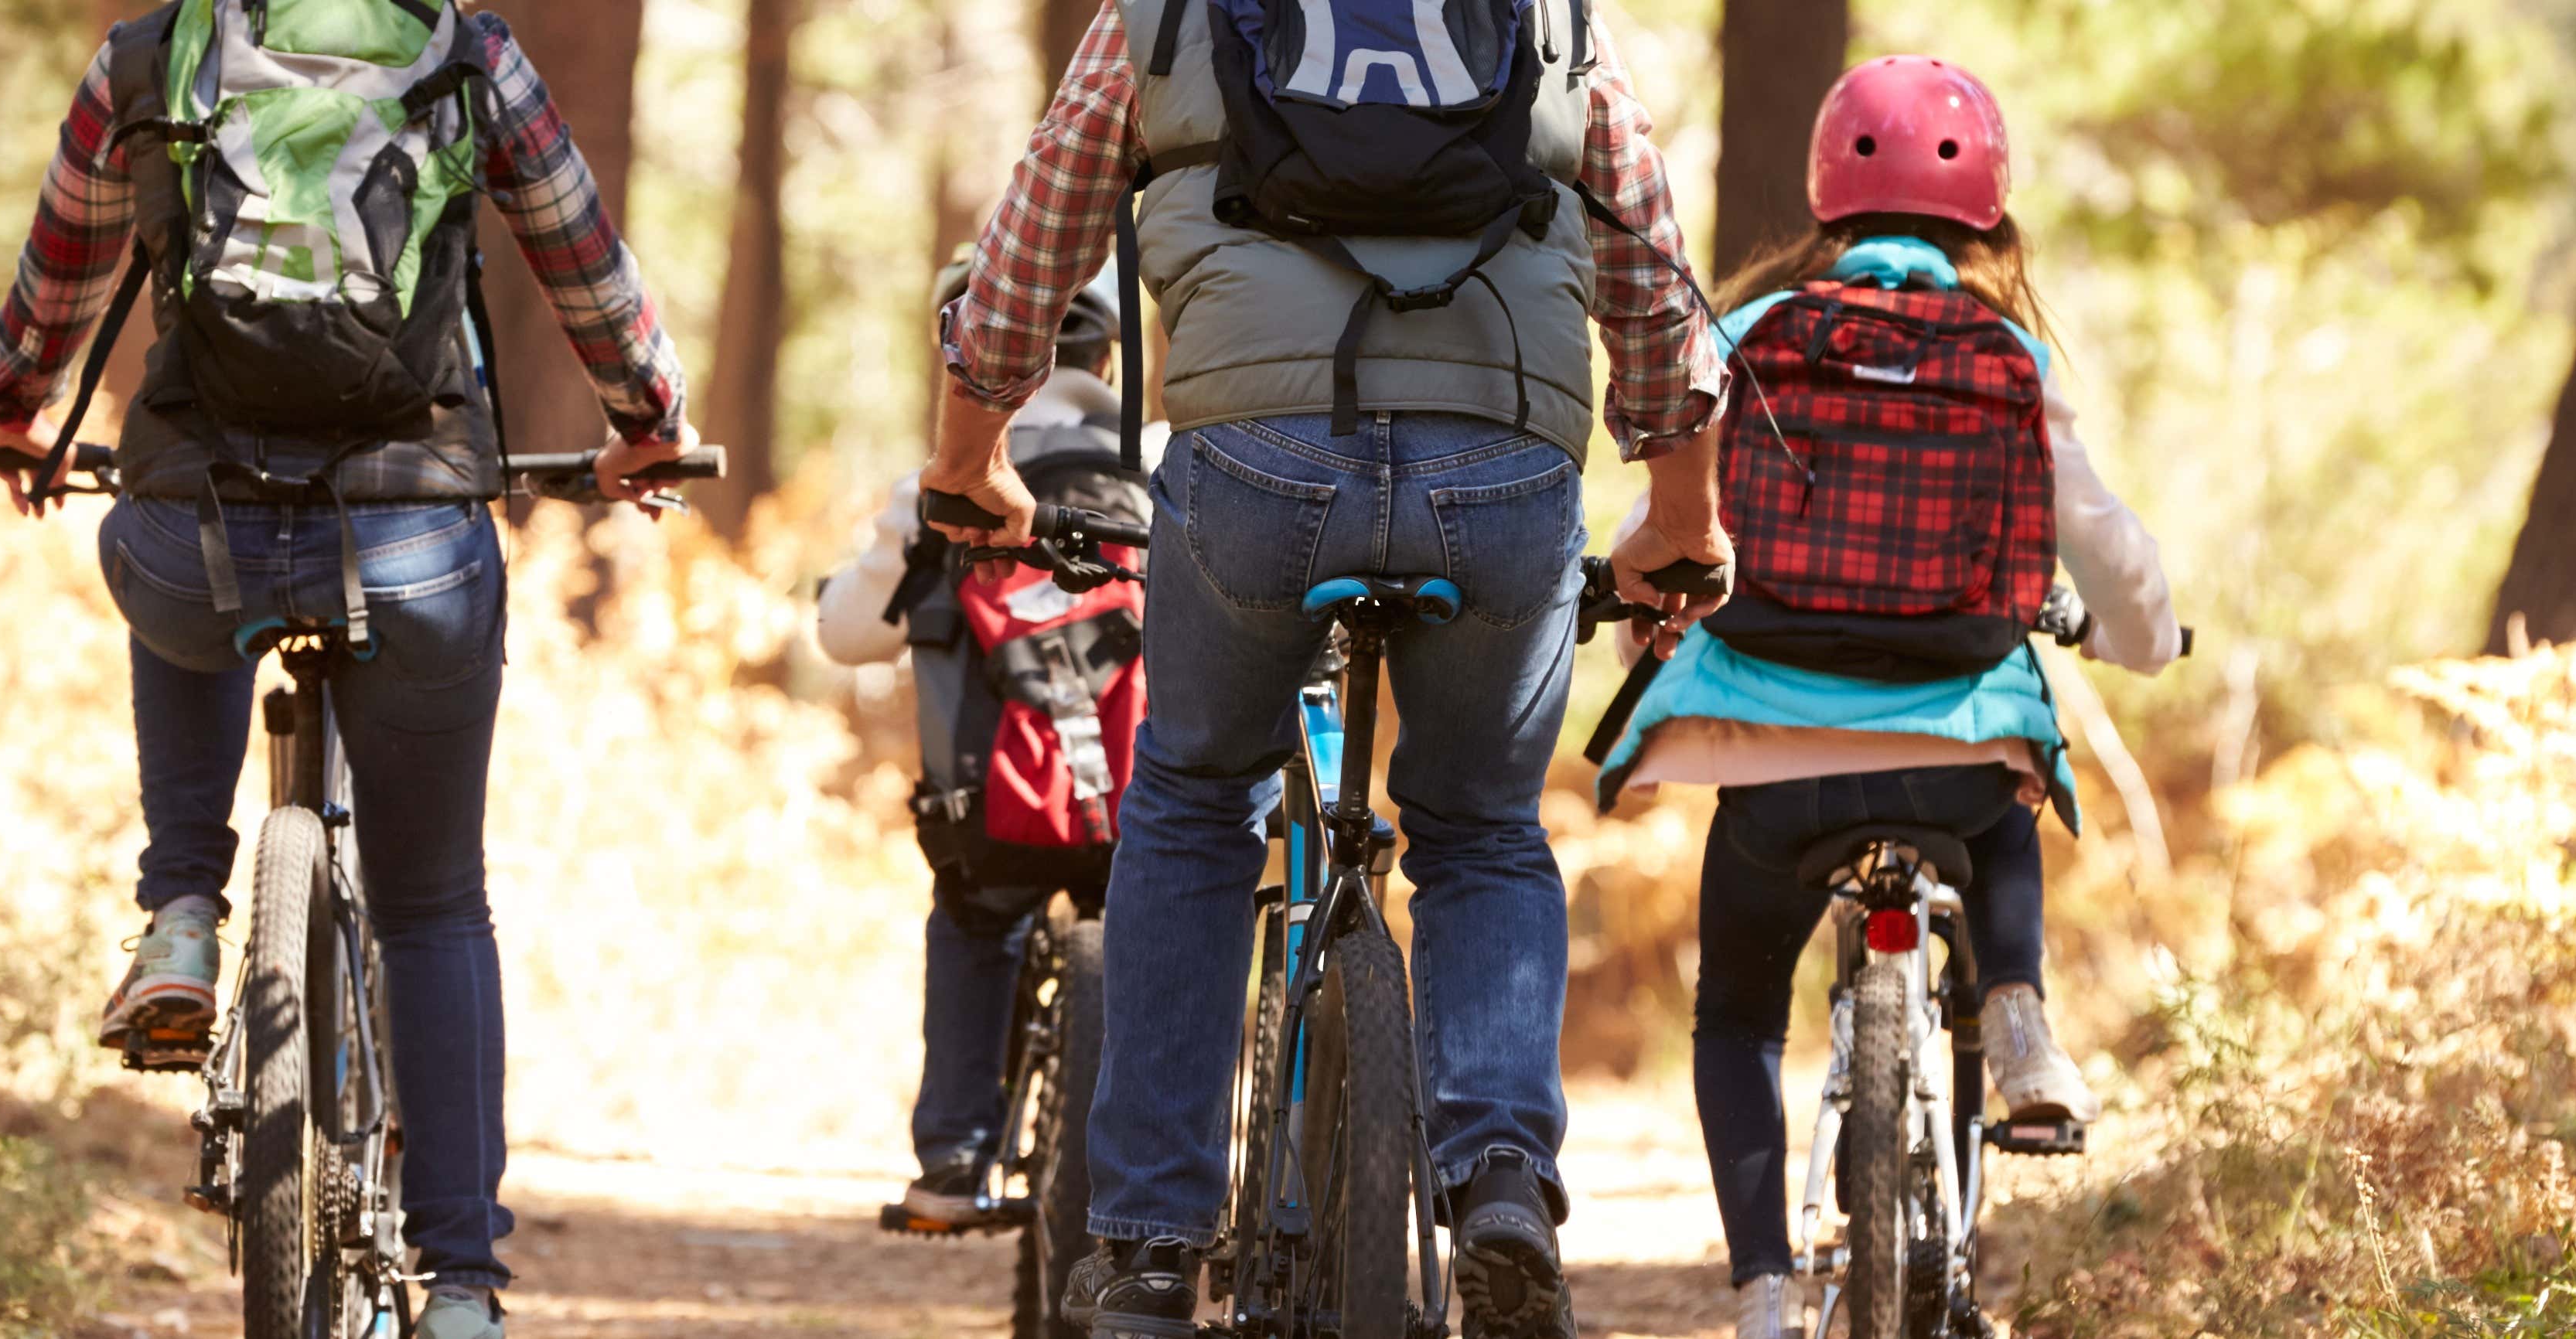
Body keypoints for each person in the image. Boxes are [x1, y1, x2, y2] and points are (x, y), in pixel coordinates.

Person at [928, 2, 1730, 1334]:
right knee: (1478, 827)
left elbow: (1030, 254)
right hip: (1503, 470)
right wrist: (1683, 511)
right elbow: (1649, 271)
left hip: (1254, 467)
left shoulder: (1166, 12)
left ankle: (1145, 1247)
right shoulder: (1549, 13)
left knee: (1191, 801)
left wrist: (968, 457)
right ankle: (1502, 1187)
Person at [0, 2, 693, 1334]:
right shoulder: (469, 55)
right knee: (431, 907)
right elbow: (584, 262)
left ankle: (185, 909)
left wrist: (16, 413)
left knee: (178, 551)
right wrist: (649, 417)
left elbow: (61, 265)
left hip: (199, 529)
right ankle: (465, 1283)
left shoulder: (153, 53)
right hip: (414, 538)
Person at [1584, 56, 2181, 1339]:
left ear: (1824, 200)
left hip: (1770, 750)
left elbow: (1668, 523)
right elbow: (2102, 540)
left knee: (1738, 1014)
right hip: (1951, 745)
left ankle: (1757, 1300)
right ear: (1990, 215)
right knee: (2009, 789)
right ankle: (2015, 1018)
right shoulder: (2006, 352)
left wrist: (1637, 619)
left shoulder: (1749, 336)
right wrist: (2149, 638)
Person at [812, 254, 1154, 1232]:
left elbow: (845, 634)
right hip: (1147, 804)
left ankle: (955, 1162)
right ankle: (1168, 1178)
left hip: (991, 812)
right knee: (1168, 928)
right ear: (1104, 349)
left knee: (974, 917)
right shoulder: (1160, 458)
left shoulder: (938, 486)